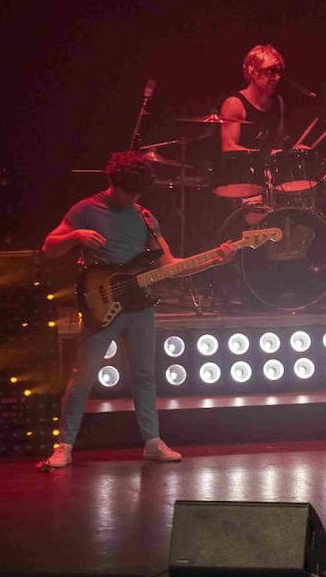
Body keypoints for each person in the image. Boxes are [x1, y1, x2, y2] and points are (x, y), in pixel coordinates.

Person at [41, 151, 235, 468]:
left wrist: (216, 258)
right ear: (111, 182)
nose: (130, 199)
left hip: (139, 305)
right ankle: (64, 446)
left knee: (145, 376)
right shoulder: (85, 210)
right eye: (126, 192)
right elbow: (49, 248)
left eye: (136, 194)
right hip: (101, 302)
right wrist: (75, 236)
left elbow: (169, 266)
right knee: (83, 377)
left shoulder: (144, 216)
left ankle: (152, 442)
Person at [220, 43, 288, 153]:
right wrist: (267, 156)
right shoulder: (235, 104)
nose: (277, 77)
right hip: (242, 169)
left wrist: (294, 151)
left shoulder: (278, 102)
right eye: (271, 72)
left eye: (278, 72)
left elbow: (278, 146)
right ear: (253, 72)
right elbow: (229, 148)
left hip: (269, 169)